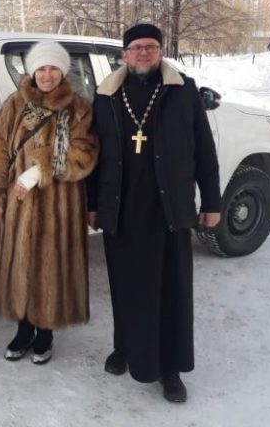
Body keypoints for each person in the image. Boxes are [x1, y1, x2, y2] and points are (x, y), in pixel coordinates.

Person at [87, 23, 221, 402]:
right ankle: (125, 347)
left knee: (171, 289)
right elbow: (94, 154)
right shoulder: (106, 94)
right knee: (125, 285)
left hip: (168, 208)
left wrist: (212, 202)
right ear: (124, 54)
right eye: (136, 47)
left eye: (150, 46)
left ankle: (170, 367)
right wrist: (92, 203)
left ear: (160, 51)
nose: (143, 53)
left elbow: (204, 148)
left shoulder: (182, 90)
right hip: (122, 209)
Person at [0, 40, 99, 365]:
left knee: (51, 270)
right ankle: (23, 330)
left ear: (63, 71)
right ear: (32, 72)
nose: (47, 75)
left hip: (60, 205)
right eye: (41, 68)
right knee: (19, 266)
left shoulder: (78, 108)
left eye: (53, 68)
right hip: (18, 204)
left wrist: (39, 171)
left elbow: (84, 154)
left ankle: (45, 334)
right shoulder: (15, 104)